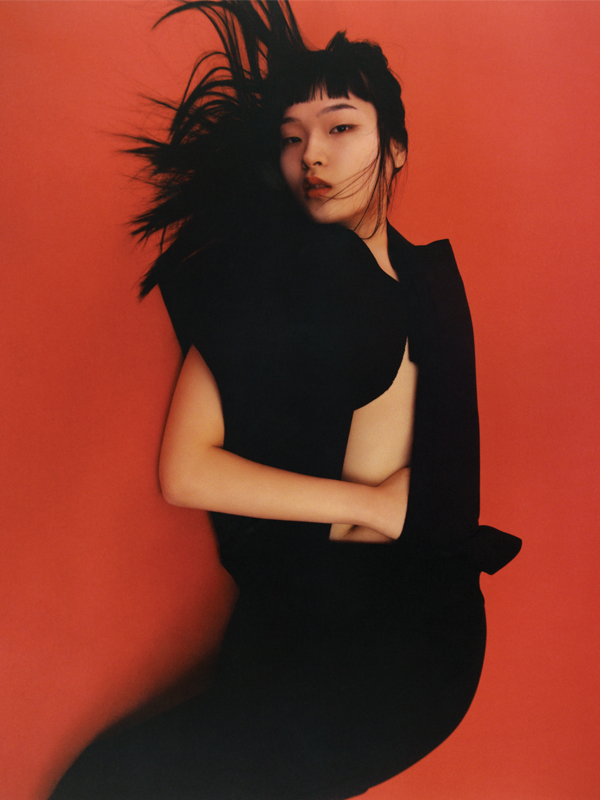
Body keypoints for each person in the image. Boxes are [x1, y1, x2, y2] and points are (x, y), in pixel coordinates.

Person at [50, 2, 521, 799]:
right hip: (316, 629)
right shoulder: (272, 277)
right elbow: (185, 471)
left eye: (341, 127)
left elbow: (437, 500)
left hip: (415, 646)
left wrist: (393, 513)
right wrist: (369, 505)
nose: (313, 154)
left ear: (395, 148)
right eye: (292, 137)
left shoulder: (429, 282)